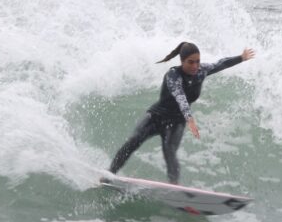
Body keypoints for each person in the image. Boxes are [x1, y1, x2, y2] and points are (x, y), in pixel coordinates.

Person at [106, 41, 255, 185]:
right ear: (182, 61)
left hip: (176, 122)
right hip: (156, 116)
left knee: (169, 151)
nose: (195, 66)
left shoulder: (201, 71)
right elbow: (180, 95)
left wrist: (241, 57)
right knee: (133, 141)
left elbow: (220, 63)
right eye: (191, 62)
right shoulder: (173, 75)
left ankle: (174, 188)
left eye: (198, 61)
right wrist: (189, 118)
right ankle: (109, 175)